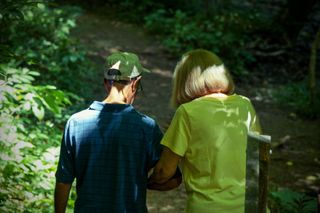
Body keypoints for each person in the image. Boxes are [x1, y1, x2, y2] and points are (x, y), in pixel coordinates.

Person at [54, 51, 180, 213]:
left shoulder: (76, 123)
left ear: (106, 82)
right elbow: (170, 178)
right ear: (135, 83)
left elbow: (64, 180)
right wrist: (145, 182)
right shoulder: (146, 128)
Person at [149, 49, 261, 213]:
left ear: (184, 80)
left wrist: (145, 183)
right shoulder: (245, 105)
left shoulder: (187, 112)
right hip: (250, 207)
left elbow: (164, 171)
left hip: (208, 207)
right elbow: (258, 155)